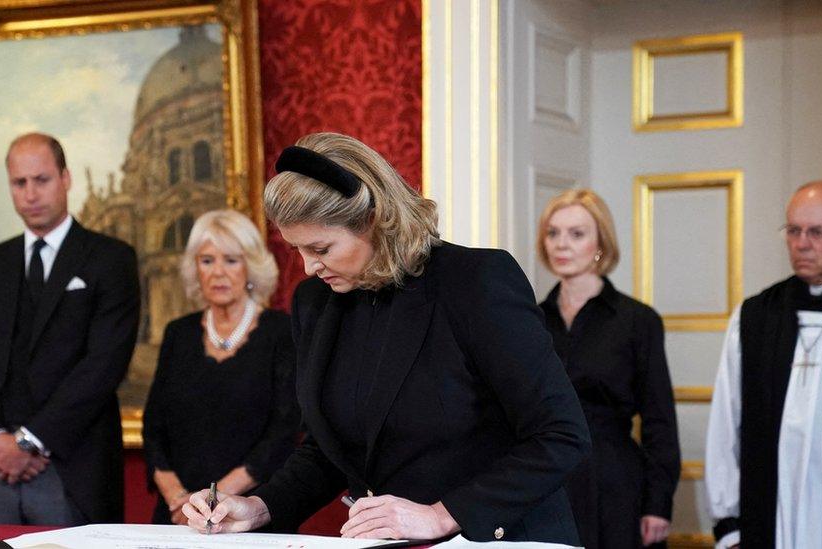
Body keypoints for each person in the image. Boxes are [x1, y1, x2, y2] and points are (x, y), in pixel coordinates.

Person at [181, 132, 591, 543]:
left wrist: (441, 516)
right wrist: (259, 506)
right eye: (296, 250)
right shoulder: (316, 303)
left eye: (321, 248)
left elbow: (559, 435)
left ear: (373, 220)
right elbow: (330, 452)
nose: (308, 267)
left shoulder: (475, 282)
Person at [0, 132, 140, 525]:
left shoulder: (111, 259)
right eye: (20, 183)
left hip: (74, 471)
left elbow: (104, 364)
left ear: (66, 178)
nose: (31, 193)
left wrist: (29, 442)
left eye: (42, 180)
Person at [705, 181, 822, 549]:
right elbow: (727, 420)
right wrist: (728, 522)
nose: (802, 243)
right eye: (793, 230)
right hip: (769, 512)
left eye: (816, 232)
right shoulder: (756, 315)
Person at [536, 189, 680, 549]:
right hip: (545, 481)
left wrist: (658, 505)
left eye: (577, 234)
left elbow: (659, 420)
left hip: (615, 482)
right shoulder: (531, 319)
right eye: (553, 233)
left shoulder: (636, 320)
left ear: (601, 243)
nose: (561, 245)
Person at [142, 209, 298, 525]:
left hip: (249, 515)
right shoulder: (178, 333)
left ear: (251, 266)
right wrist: (179, 500)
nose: (218, 272)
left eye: (231, 259)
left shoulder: (282, 333)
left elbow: (284, 433)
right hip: (178, 517)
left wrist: (213, 501)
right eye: (207, 260)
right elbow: (154, 428)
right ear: (194, 268)